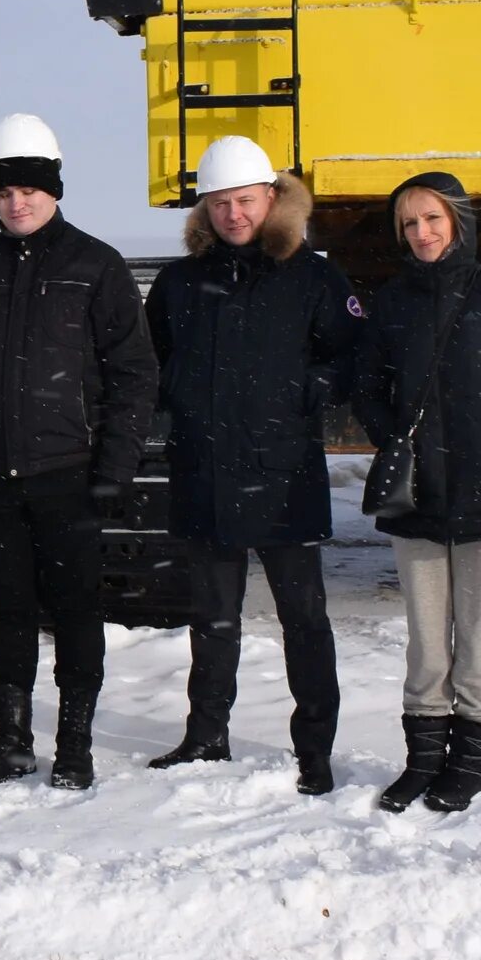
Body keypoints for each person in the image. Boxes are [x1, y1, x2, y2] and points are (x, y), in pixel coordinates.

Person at [0, 115, 155, 789]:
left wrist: (115, 466)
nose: (16, 202)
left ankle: (75, 744)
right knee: (9, 612)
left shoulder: (95, 266)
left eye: (28, 189)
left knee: (78, 611)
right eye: (4, 193)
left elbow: (134, 373)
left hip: (69, 478)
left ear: (54, 189)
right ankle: (14, 739)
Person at [143, 133, 362, 794]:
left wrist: (311, 390)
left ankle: (315, 748)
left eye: (245, 200)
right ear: (203, 210)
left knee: (304, 620)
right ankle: (206, 735)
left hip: (284, 473)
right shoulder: (181, 283)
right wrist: (169, 402)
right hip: (205, 473)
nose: (234, 215)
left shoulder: (312, 274)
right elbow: (151, 362)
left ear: (271, 198)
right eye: (220, 204)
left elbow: (353, 354)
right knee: (212, 621)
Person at [351, 170, 481, 814]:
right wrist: (396, 439)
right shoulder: (391, 303)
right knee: (423, 641)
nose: (421, 233)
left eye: (432, 219)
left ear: (459, 222)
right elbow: (366, 385)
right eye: (409, 224)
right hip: (419, 500)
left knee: (478, 637)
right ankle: (421, 762)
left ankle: (468, 766)